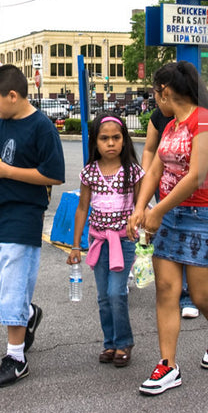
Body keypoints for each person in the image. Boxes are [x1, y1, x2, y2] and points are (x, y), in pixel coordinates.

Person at [128, 61, 208, 396]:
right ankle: (168, 365)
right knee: (166, 290)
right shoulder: (170, 126)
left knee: (202, 295)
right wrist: (140, 208)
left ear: (165, 91)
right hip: (171, 216)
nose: (154, 100)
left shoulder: (205, 121)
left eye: (154, 92)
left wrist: (157, 211)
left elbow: (193, 177)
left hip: (201, 216)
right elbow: (154, 172)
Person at [0, 64, 65, 388]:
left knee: (13, 284)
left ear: (13, 96)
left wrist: (8, 172)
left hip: (23, 215)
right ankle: (28, 314)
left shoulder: (42, 127)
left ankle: (16, 358)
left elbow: (54, 175)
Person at [67, 113, 144, 368]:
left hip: (123, 241)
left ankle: (124, 342)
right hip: (98, 241)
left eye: (116, 137)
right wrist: (76, 245)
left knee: (116, 292)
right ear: (95, 142)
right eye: (104, 138)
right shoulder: (89, 172)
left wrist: (144, 226)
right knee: (102, 296)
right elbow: (82, 209)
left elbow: (142, 205)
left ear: (124, 140)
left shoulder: (132, 171)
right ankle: (110, 342)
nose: (110, 143)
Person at [142, 106, 199, 320]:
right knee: (170, 237)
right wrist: (145, 180)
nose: (156, 97)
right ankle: (173, 294)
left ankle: (189, 296)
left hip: (189, 188)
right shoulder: (159, 117)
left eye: (159, 91)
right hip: (163, 185)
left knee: (187, 238)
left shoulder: (199, 118)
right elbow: (149, 150)